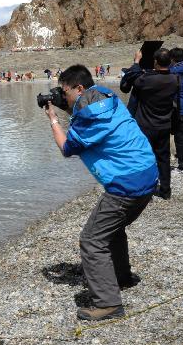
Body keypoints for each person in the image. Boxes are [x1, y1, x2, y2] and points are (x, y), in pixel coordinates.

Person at [44, 65, 158, 321]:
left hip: (127, 184)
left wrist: (53, 118)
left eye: (65, 92)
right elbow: (88, 114)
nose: (63, 96)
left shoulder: (88, 117)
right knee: (113, 228)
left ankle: (108, 304)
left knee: (92, 239)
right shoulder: (108, 97)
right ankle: (121, 277)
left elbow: (67, 147)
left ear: (80, 88)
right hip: (148, 174)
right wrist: (67, 106)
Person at [120, 48, 178, 199]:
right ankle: (165, 191)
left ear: (156, 62)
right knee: (163, 159)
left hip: (145, 126)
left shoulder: (146, 80)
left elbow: (132, 78)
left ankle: (145, 190)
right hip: (164, 124)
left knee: (143, 159)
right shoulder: (174, 80)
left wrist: (136, 61)